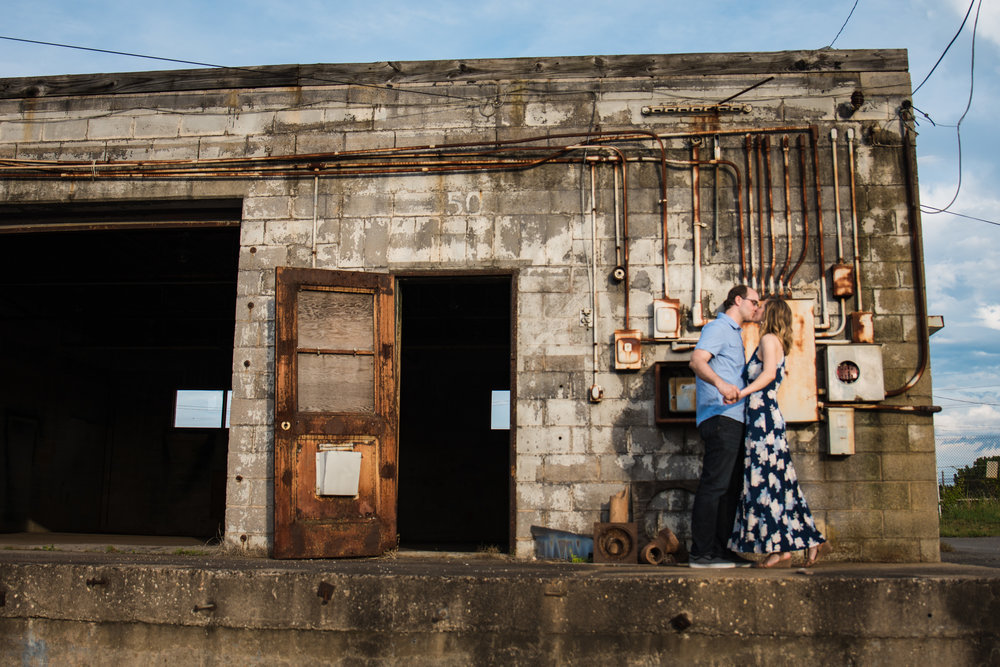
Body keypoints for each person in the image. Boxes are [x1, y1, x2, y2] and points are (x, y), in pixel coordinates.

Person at [727, 298, 829, 568]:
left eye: (761, 306)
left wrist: (743, 392)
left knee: (765, 482)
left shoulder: (769, 340)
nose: (756, 308)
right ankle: (791, 545)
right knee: (779, 483)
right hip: (761, 418)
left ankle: (788, 545)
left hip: (764, 420)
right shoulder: (772, 340)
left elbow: (769, 374)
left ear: (769, 313)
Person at [687, 285, 762, 568]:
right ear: (738, 300)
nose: (757, 308)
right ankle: (702, 553)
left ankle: (720, 550)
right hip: (721, 417)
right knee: (715, 486)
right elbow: (697, 361)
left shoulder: (735, 333)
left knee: (729, 489)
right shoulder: (719, 328)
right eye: (754, 302)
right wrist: (721, 384)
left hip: (735, 418)